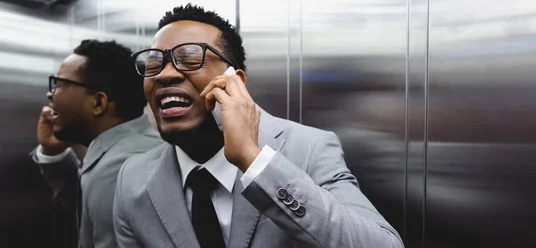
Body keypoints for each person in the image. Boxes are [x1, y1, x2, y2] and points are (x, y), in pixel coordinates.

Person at [113, 4, 404, 248]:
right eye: (153, 65)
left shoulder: (310, 149)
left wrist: (254, 161)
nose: (165, 74)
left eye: (189, 59)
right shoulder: (133, 179)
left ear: (235, 81)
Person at [31, 39, 163, 248]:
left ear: (98, 103)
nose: (50, 94)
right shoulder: (122, 150)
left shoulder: (120, 167)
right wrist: (52, 151)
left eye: (59, 85)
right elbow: (88, 212)